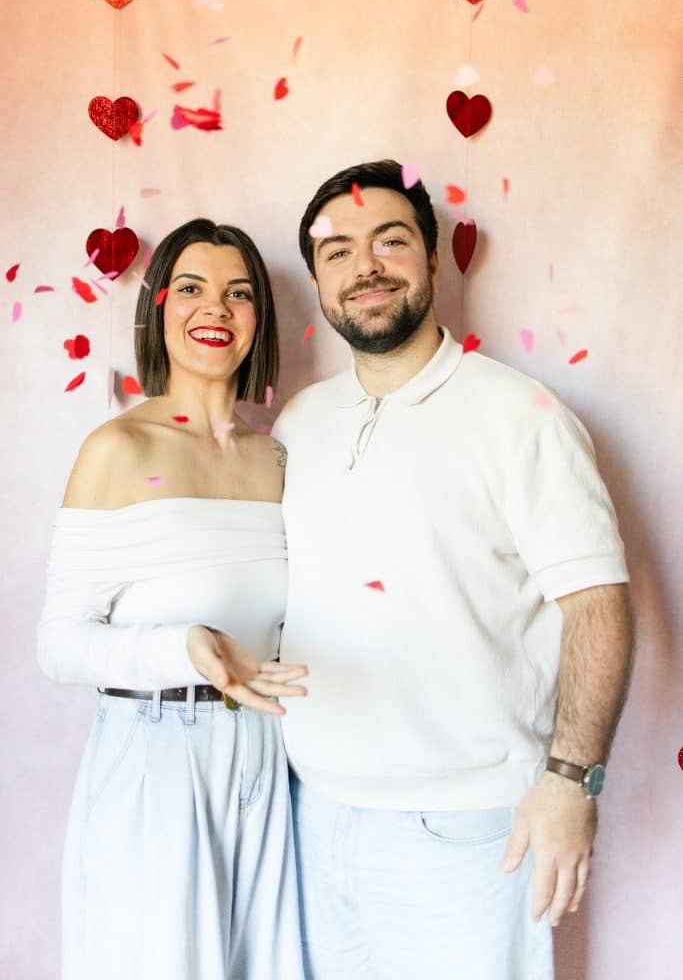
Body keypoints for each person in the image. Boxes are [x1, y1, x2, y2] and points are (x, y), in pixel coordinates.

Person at [272, 161, 634, 979]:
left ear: (432, 260)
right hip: (311, 814)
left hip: (467, 829)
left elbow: (597, 604)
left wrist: (570, 780)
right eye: (337, 251)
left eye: (390, 241)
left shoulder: (519, 415)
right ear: (318, 280)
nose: (364, 266)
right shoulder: (300, 422)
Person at [37, 219, 308, 980]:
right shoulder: (117, 449)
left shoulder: (278, 458)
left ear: (258, 319)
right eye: (191, 288)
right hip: (155, 752)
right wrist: (180, 645)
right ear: (157, 308)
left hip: (266, 759)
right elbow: (58, 643)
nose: (215, 307)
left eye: (238, 293)